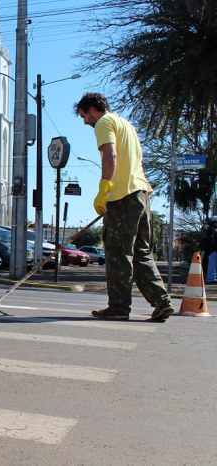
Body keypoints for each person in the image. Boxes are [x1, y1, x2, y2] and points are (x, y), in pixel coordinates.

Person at [75, 92, 173, 321]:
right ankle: (162, 302)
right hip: (141, 194)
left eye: (84, 116)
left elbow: (110, 155)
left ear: (92, 109)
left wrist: (104, 189)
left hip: (121, 197)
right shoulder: (126, 124)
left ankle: (119, 309)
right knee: (140, 253)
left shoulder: (104, 123)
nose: (84, 122)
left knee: (118, 255)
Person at [200, 216, 217, 284]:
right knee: (212, 264)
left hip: (212, 250)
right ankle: (211, 279)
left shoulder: (211, 230)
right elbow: (213, 241)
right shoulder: (213, 230)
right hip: (213, 250)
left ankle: (212, 278)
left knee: (213, 264)